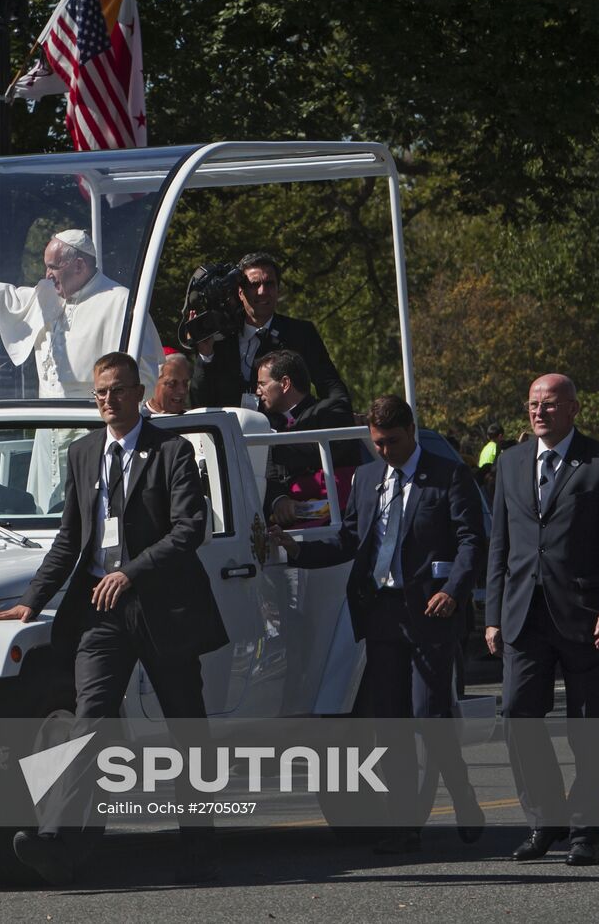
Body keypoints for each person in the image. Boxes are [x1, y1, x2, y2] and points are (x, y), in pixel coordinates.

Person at [0, 352, 228, 886]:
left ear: (138, 392)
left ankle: (199, 841)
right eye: (99, 393)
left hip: (164, 608)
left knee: (185, 723)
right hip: (100, 610)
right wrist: (32, 599)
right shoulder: (83, 453)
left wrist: (133, 572)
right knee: (88, 717)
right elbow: (71, 537)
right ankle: (57, 838)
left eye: (117, 391)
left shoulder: (173, 452)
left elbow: (189, 529)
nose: (107, 401)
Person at [270, 395, 487, 852]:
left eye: (391, 441)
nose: (384, 450)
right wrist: (298, 551)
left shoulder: (447, 477)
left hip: (432, 610)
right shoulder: (369, 478)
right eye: (376, 443)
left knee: (429, 716)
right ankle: (406, 824)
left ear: (410, 431)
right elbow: (353, 538)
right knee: (391, 723)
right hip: (382, 613)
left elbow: (472, 541)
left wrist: (454, 590)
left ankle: (464, 795)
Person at [485, 373, 599, 867]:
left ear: (572, 408)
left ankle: (585, 831)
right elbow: (500, 545)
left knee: (588, 729)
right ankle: (544, 821)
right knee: (518, 717)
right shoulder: (510, 462)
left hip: (587, 617)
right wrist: (492, 615)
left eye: (548, 403)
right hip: (523, 615)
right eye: (532, 403)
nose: (538, 411)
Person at [0, 229, 163, 510]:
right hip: (48, 432)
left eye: (53, 267)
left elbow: (145, 378)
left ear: (79, 265)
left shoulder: (120, 302)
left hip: (93, 432)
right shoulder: (45, 296)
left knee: (93, 511)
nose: (46, 274)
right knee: (47, 514)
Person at [189, 252, 350, 412]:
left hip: (285, 435)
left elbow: (331, 388)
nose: (262, 291)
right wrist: (206, 355)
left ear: (278, 289)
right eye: (254, 284)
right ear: (240, 292)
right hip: (231, 434)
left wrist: (334, 417)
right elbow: (200, 404)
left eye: (269, 284)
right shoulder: (220, 338)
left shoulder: (301, 334)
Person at [254, 350, 356, 527]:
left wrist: (274, 442)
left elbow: (333, 449)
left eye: (262, 384)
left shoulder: (330, 411)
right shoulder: (267, 423)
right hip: (283, 520)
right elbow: (265, 472)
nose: (257, 391)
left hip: (333, 517)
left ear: (285, 384)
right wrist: (279, 500)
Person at [144, 351, 191, 417]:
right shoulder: (135, 421)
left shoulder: (194, 421)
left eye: (185, 383)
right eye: (172, 383)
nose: (182, 391)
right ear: (152, 383)